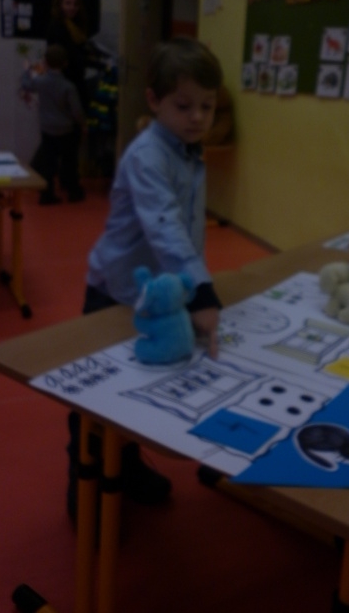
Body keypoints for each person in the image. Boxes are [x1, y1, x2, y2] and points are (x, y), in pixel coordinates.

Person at [66, 36, 223, 520]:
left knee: (143, 385)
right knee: (99, 396)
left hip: (162, 292)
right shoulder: (147, 155)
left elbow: (189, 230)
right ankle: (85, 477)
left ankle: (127, 463)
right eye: (184, 105)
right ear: (154, 100)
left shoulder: (190, 150)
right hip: (116, 291)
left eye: (207, 106)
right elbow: (164, 226)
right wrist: (203, 290)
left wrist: (191, 287)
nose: (197, 117)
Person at [21, 44, 87, 205]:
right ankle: (73, 191)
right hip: (66, 129)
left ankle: (47, 194)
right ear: (65, 63)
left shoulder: (40, 82)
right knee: (70, 161)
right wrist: (83, 124)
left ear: (45, 62)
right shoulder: (68, 86)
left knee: (48, 163)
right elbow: (76, 110)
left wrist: (27, 70)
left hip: (47, 128)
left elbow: (26, 85)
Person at [46, 0, 96, 112]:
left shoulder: (76, 26)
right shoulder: (58, 26)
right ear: (60, 5)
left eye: (75, 4)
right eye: (68, 3)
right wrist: (95, 62)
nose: (72, 7)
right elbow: (69, 54)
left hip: (75, 78)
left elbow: (79, 49)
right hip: (64, 80)